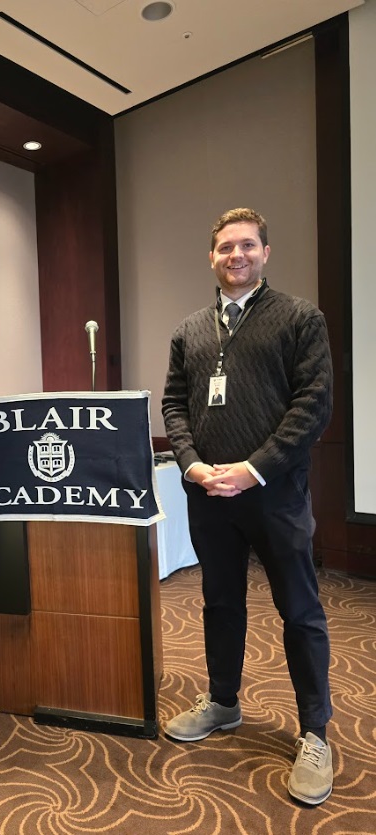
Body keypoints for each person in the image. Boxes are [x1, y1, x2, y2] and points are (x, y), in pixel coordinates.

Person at [161, 207, 333, 806]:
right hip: (210, 495)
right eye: (225, 247)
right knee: (219, 601)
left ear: (265, 252)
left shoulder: (300, 318)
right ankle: (223, 701)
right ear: (211, 257)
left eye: (247, 246)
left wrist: (253, 468)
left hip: (276, 494)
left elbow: (313, 405)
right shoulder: (189, 330)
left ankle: (315, 732)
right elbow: (174, 404)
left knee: (300, 611)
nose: (236, 255)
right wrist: (191, 465)